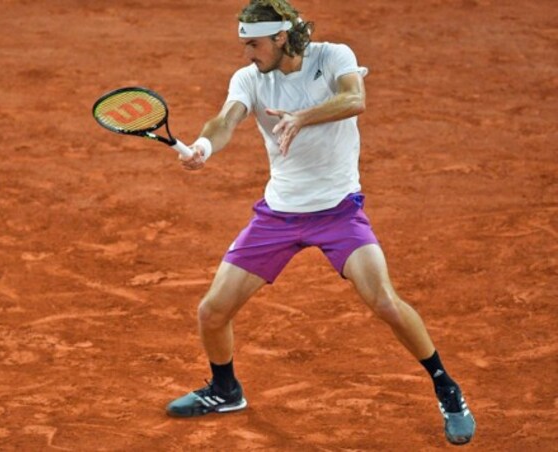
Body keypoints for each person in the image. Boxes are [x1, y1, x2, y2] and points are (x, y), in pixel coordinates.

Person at [164, 0, 476, 446]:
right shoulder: (250, 78)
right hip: (279, 214)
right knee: (212, 312)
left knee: (385, 301)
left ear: (279, 37)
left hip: (338, 212)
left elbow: (355, 98)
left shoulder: (333, 56)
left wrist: (302, 117)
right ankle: (226, 389)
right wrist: (203, 147)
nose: (246, 53)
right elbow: (225, 119)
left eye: (253, 43)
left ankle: (447, 387)